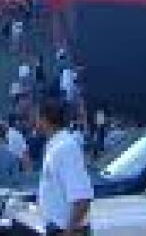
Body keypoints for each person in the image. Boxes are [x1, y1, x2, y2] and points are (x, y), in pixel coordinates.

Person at [35, 98, 93, 235]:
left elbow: (82, 199)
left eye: (37, 118)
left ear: (44, 119)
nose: (35, 123)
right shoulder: (56, 146)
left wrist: (68, 232)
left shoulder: (66, 148)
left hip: (67, 230)